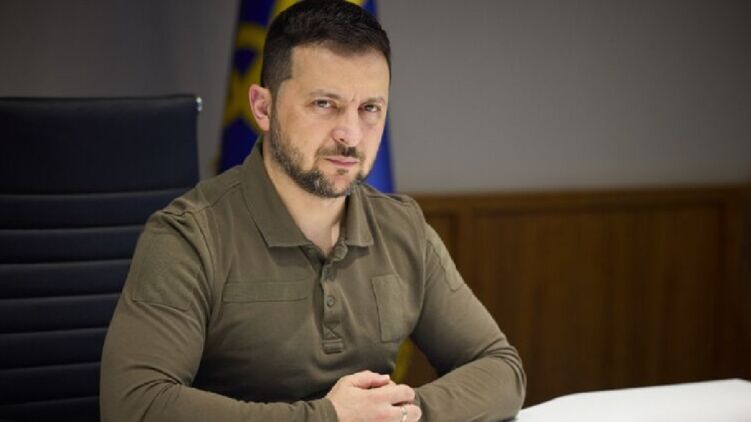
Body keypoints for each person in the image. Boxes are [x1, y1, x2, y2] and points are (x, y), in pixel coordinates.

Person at [100, 1, 526, 421]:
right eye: (324, 104)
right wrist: (327, 418)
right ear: (263, 108)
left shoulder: (403, 227)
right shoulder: (188, 235)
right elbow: (134, 405)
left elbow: (501, 369)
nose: (350, 134)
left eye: (370, 108)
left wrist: (401, 412)